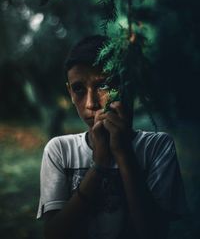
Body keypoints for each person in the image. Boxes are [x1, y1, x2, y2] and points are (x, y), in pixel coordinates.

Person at [36, 35, 188, 239]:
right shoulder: (60, 150)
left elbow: (154, 233)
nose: (91, 104)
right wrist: (99, 164)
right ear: (69, 93)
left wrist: (123, 152)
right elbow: (53, 234)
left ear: (125, 86)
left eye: (104, 85)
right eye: (78, 89)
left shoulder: (157, 147)